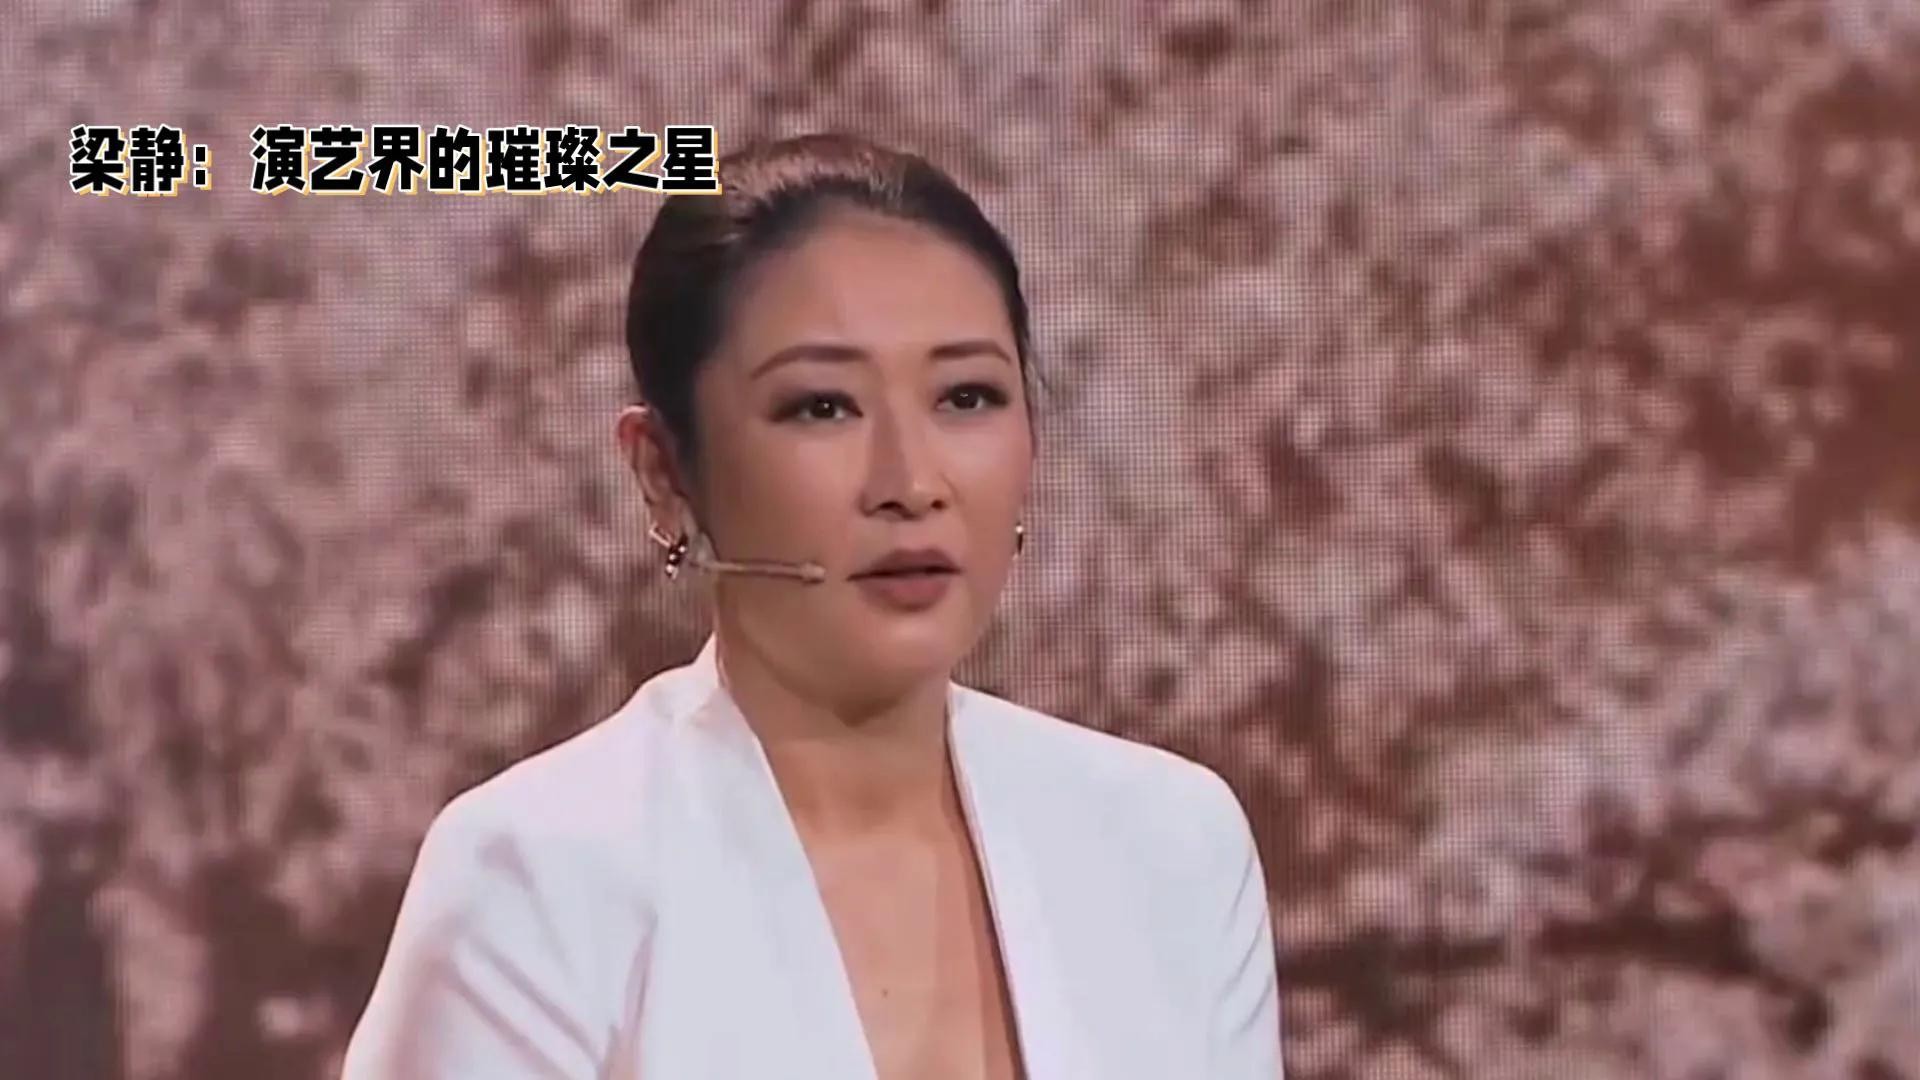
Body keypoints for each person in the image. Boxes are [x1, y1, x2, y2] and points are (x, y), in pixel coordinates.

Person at [340, 132, 1283, 1080]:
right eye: (822, 407)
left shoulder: (1173, 846)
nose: (912, 484)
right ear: (664, 472)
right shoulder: (535, 880)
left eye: (967, 396)